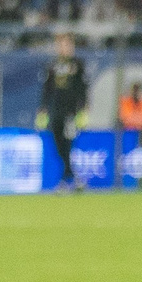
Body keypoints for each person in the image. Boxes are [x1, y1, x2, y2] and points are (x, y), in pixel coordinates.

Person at [35, 34, 88, 191]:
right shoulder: (52, 65)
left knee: (67, 143)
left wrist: (83, 109)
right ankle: (75, 178)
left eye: (67, 45)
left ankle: (65, 182)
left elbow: (83, 88)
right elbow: (47, 89)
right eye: (62, 45)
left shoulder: (78, 65)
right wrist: (43, 108)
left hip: (71, 111)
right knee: (58, 145)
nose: (65, 48)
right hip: (55, 110)